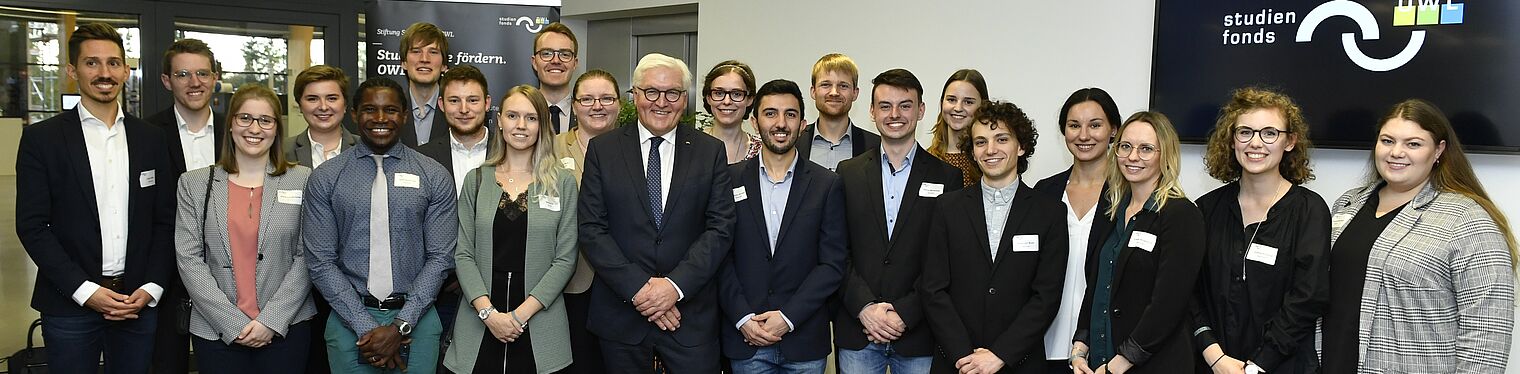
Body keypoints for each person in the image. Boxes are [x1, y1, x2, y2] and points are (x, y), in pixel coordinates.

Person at [16, 22, 176, 373]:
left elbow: (165, 220)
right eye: (92, 63)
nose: (105, 73)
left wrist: (151, 286)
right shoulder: (42, 140)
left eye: (114, 63)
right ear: (72, 71)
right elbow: (32, 226)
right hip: (69, 303)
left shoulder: (151, 138)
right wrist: (85, 290)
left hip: (138, 301)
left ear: (126, 70)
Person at [1320, 99, 1515, 373]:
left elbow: (1487, 332)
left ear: (1439, 151)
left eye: (1413, 144)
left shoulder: (1467, 220)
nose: (1396, 152)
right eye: (1387, 141)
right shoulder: (1347, 205)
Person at [577, 52, 736, 373]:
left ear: (684, 99)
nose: (661, 102)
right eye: (651, 92)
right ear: (634, 96)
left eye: (673, 93)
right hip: (622, 316)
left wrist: (673, 288)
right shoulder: (603, 150)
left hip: (690, 317)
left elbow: (720, 229)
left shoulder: (710, 151)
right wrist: (641, 290)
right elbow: (592, 229)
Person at [303, 77, 457, 373]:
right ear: (354, 115)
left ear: (405, 116)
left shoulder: (433, 175)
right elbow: (320, 261)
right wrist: (366, 327)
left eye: (391, 110)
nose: (380, 119)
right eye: (370, 110)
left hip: (418, 318)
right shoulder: (326, 177)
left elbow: (441, 258)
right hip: (348, 318)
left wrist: (399, 327)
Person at [174, 84, 318, 373]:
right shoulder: (194, 184)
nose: (255, 128)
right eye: (245, 118)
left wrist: (271, 321)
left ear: (277, 128)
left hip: (287, 328)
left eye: (265, 120)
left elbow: (309, 255)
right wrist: (233, 324)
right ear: (230, 125)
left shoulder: (303, 179)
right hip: (215, 331)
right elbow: (189, 259)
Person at [920, 100, 1068, 374]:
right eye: (980, 142)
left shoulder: (1049, 212)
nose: (990, 150)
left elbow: (1046, 297)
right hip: (957, 363)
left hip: (1019, 362)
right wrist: (964, 356)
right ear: (972, 152)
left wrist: (1000, 355)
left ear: (1021, 146)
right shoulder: (947, 208)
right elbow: (933, 289)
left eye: (1001, 139)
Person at [833, 68, 962, 374]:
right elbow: (836, 250)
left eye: (905, 105)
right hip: (859, 330)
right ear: (872, 111)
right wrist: (865, 308)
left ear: (921, 110)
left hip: (918, 332)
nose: (895, 114)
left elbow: (946, 260)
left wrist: (905, 313)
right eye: (885, 106)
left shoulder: (947, 177)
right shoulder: (847, 173)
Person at [1191, 88, 1328, 374]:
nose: (1256, 143)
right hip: (1213, 365)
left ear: (1289, 141)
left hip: (1280, 366)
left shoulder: (1309, 210)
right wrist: (1214, 356)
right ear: (1231, 139)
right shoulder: (1205, 210)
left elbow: (1308, 297)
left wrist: (1259, 365)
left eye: (1269, 133)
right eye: (1245, 132)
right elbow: (1190, 292)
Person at [443, 84, 578, 373]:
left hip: (539, 318)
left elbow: (566, 259)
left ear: (543, 125)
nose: (521, 125)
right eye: (513, 116)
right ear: (500, 120)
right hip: (480, 318)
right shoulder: (476, 180)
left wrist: (518, 316)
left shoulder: (563, 183)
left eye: (531, 118)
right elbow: (463, 254)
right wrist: (488, 313)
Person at [718, 79, 846, 373]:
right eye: (770, 113)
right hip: (746, 338)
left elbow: (832, 264)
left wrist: (787, 317)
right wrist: (742, 318)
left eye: (790, 114)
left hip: (803, 340)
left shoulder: (827, 184)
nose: (781, 123)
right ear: (754, 121)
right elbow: (720, 257)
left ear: (802, 123)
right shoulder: (727, 180)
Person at [1070, 111, 1204, 374]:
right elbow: (1097, 286)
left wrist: (1122, 362)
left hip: (1153, 364)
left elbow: (1169, 304)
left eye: (1146, 149)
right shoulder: (1112, 210)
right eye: (1125, 146)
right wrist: (1079, 348)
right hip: (1100, 360)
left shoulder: (1181, 215)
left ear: (1165, 155)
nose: (1133, 157)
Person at [146, 37, 224, 373]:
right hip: (165, 273)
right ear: (167, 80)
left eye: (203, 74)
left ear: (215, 76)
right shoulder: (145, 134)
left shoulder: (238, 130)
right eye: (183, 75)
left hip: (227, 272)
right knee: (166, 363)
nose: (195, 83)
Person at [1033, 88, 1119, 373]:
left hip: (1101, 346)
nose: (1084, 135)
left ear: (1113, 130)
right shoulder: (1044, 192)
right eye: (1074, 126)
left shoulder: (1128, 196)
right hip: (1042, 342)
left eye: (1095, 125)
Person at [550, 69, 619, 374]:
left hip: (622, 278)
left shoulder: (636, 148)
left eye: (606, 98)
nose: (597, 106)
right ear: (574, 106)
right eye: (587, 99)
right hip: (569, 279)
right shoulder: (549, 148)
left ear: (619, 103)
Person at [417, 64, 497, 194]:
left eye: (472, 100)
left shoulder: (508, 152)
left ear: (487, 103)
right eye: (454, 101)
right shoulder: (422, 158)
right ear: (442, 104)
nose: (464, 109)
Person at [798, 53, 880, 171]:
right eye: (826, 85)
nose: (834, 92)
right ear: (813, 92)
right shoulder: (795, 142)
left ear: (855, 93)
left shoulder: (876, 147)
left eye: (843, 86)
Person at [286, 65, 360, 169]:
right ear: (300, 106)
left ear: (345, 105)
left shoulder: (366, 149)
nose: (323, 107)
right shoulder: (280, 152)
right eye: (312, 99)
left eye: (332, 98)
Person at [926, 69, 988, 187]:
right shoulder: (925, 160)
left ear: (983, 106)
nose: (958, 108)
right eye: (951, 100)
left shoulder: (989, 158)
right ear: (942, 103)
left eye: (968, 102)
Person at [397, 22, 451, 147]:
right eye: (416, 51)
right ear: (403, 62)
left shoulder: (457, 110)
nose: (424, 59)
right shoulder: (391, 110)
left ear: (444, 65)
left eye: (433, 52)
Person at [701, 60, 762, 164]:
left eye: (736, 94)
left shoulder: (762, 152)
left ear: (750, 99)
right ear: (708, 97)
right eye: (719, 93)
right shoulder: (690, 146)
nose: (727, 101)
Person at [533, 22, 580, 134]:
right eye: (547, 53)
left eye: (565, 54)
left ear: (575, 63)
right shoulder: (520, 113)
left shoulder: (587, 114)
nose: (555, 60)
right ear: (534, 62)